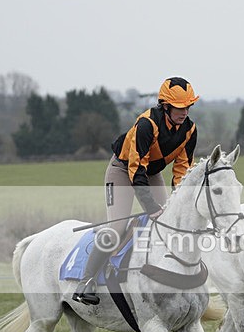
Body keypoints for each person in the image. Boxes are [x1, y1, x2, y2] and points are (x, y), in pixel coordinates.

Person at [72, 77, 200, 305]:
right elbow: (135, 169)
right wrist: (150, 207)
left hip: (150, 173)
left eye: (188, 106)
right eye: (180, 107)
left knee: (169, 222)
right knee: (117, 228)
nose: (185, 112)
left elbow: (182, 170)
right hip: (123, 170)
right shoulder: (146, 124)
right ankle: (86, 281)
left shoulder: (190, 129)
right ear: (166, 105)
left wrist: (180, 202)